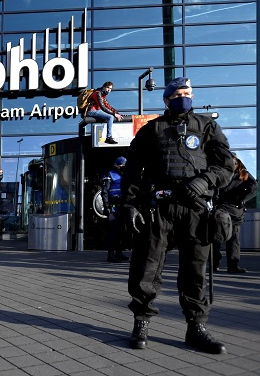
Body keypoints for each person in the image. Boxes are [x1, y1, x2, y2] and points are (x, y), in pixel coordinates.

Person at [122, 77, 234, 354]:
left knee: (195, 270)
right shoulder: (151, 130)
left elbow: (226, 165)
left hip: (196, 207)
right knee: (146, 267)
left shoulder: (207, 126)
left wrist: (204, 181)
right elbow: (133, 172)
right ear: (167, 99)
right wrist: (130, 205)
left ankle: (196, 328)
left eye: (188, 93)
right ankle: (141, 322)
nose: (185, 97)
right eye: (179, 93)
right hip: (159, 208)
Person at [212, 154, 257, 273]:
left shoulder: (231, 173)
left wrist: (240, 197)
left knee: (220, 237)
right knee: (230, 238)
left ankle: (218, 264)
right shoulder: (241, 174)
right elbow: (253, 186)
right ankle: (229, 265)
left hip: (226, 209)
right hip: (229, 209)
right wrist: (241, 197)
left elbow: (253, 186)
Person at [100, 156, 129, 263]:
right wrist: (106, 206)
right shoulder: (110, 174)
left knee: (122, 230)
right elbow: (105, 192)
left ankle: (119, 252)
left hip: (123, 205)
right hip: (113, 206)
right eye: (121, 165)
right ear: (116, 165)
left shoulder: (125, 174)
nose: (122, 167)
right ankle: (110, 254)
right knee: (113, 230)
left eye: (124, 165)